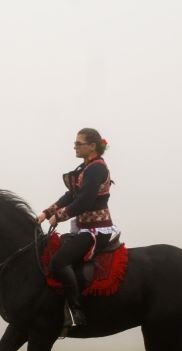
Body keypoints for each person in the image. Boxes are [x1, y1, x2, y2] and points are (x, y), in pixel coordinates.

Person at [37, 128, 120, 330]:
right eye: (75, 143)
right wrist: (46, 213)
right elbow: (70, 196)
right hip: (83, 228)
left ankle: (76, 311)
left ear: (92, 146)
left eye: (78, 143)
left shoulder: (96, 168)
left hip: (95, 231)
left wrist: (59, 216)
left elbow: (84, 201)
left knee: (59, 261)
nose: (74, 147)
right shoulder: (86, 168)